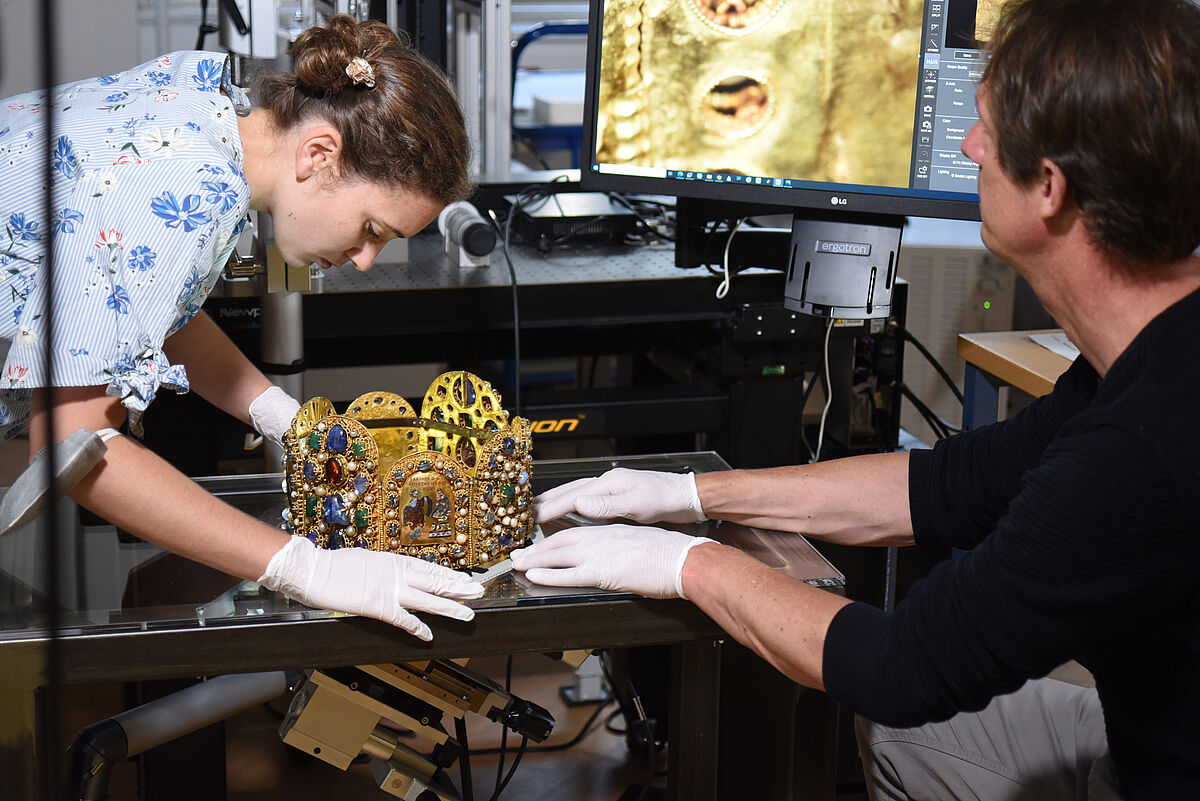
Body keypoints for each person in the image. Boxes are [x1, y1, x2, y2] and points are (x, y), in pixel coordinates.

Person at [511, 0, 1200, 797]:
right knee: (910, 734)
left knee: (900, 702)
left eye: (989, 130)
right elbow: (946, 486)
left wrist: (687, 562)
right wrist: (693, 493)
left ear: (1049, 186)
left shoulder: (1144, 447)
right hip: (1141, 735)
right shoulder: (1147, 354)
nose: (970, 146)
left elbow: (903, 665)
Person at [0, 15, 484, 640]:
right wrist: (299, 566)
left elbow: (133, 293)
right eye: (372, 230)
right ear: (319, 153)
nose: (365, 259)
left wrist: (278, 412)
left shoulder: (208, 116)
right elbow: (74, 449)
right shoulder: (178, 187)